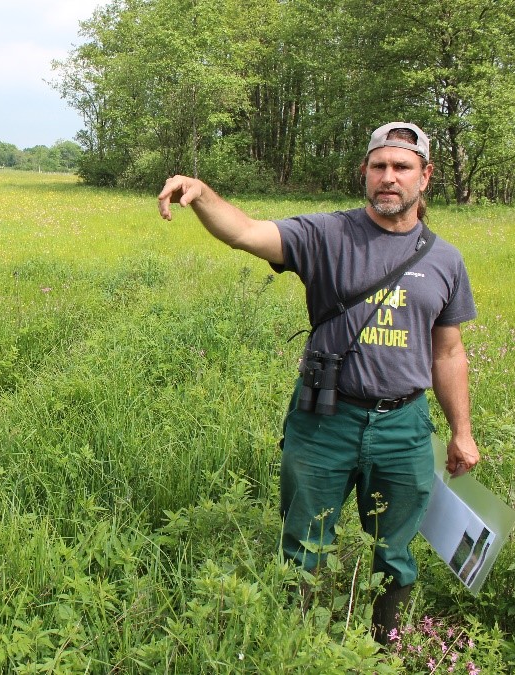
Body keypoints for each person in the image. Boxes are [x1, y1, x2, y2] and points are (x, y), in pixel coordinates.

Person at [157, 122, 480, 643]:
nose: (389, 178)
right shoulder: (328, 235)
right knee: (304, 545)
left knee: (395, 552)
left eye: (402, 167)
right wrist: (201, 195)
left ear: (426, 176)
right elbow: (246, 231)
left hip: (405, 426)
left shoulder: (445, 260)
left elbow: (449, 351)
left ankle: (383, 647)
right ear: (365, 173)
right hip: (324, 420)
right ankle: (300, 646)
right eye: (379, 166)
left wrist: (461, 430)